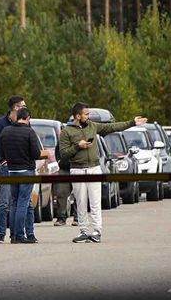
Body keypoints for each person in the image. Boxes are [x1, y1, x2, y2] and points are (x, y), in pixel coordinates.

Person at [59, 103, 147, 243]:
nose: (89, 117)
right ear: (77, 116)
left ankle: (97, 231)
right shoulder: (66, 131)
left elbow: (112, 127)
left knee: (95, 201)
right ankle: (83, 231)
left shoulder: (93, 126)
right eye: (86, 114)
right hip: (77, 169)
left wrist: (132, 123)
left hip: (94, 168)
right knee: (81, 202)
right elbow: (63, 154)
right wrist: (78, 146)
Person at [0, 107, 43, 244]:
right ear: (27, 118)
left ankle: (13, 235)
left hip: (11, 171)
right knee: (24, 202)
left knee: (14, 203)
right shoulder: (29, 132)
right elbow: (36, 154)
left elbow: (1, 151)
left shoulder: (5, 131)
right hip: (26, 171)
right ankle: (19, 235)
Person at [0, 95, 27, 244]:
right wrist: (2, 160)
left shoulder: (24, 122)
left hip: (21, 167)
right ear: (15, 108)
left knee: (18, 202)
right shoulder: (0, 124)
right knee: (4, 203)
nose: (25, 108)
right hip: (7, 168)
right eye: (23, 106)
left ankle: (16, 233)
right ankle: (1, 233)